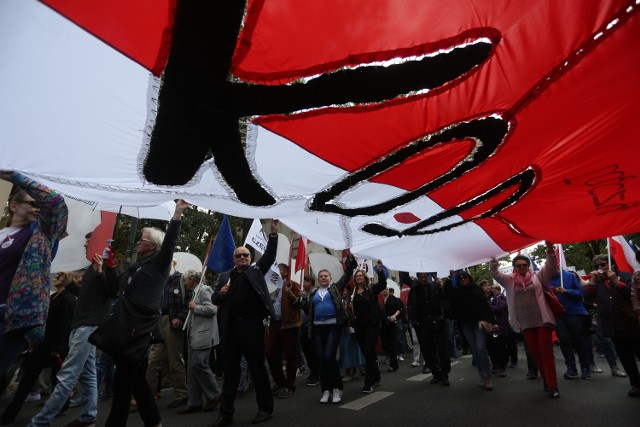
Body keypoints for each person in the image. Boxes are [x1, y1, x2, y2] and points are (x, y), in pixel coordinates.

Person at [102, 200, 189, 427]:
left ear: (152, 246)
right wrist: (109, 267)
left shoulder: (158, 264)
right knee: (136, 380)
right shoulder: (135, 267)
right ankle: (153, 420)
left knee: (122, 382)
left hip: (138, 329)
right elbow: (113, 289)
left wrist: (177, 214)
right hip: (126, 325)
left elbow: (169, 243)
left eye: (143, 240)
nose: (138, 242)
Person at [28, 231, 118, 427]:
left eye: (88, 243)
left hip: (88, 328)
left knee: (67, 374)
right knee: (88, 375)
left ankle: (39, 422)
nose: (85, 246)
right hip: (82, 326)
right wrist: (69, 284)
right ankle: (88, 417)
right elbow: (86, 299)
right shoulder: (91, 269)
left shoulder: (107, 267)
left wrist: (103, 270)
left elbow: (113, 291)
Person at [0, 171, 68, 383]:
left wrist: (15, 176)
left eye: (39, 204)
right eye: (31, 204)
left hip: (12, 317)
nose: (38, 208)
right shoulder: (3, 233)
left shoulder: (41, 234)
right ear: (14, 206)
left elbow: (55, 204)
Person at [210, 220, 279, 426]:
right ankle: (225, 415)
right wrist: (220, 294)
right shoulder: (225, 277)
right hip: (230, 329)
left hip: (252, 326)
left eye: (245, 255)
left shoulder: (256, 272)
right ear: (234, 258)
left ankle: (265, 408)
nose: (242, 258)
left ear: (250, 259)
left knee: (257, 368)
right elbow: (214, 299)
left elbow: (269, 256)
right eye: (238, 255)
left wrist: (273, 233)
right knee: (230, 373)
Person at [1, 271, 76, 425]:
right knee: (28, 379)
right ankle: (10, 414)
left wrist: (57, 348)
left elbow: (64, 326)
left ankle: (62, 406)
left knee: (57, 380)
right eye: (57, 276)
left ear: (70, 279)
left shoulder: (68, 300)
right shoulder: (52, 297)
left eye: (61, 276)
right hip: (43, 345)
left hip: (55, 348)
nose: (56, 277)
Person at [490, 242, 560, 399]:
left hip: (542, 321)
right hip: (525, 323)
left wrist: (550, 252)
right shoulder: (509, 281)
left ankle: (553, 385)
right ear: (514, 267)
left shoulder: (537, 277)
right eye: (518, 266)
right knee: (535, 353)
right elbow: (494, 273)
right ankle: (546, 380)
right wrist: (493, 259)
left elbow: (550, 266)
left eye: (524, 265)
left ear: (528, 266)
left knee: (546, 352)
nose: (521, 268)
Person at [303, 256, 357, 404]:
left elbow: (347, 276)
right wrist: (300, 298)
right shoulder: (313, 294)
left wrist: (350, 265)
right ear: (318, 279)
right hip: (317, 329)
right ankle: (326, 390)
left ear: (330, 278)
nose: (323, 278)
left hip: (333, 327)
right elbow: (307, 311)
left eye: (325, 276)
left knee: (329, 357)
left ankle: (337, 389)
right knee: (321, 360)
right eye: (320, 276)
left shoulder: (335, 288)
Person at [584, 256, 639, 397]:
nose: (601, 267)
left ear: (613, 264)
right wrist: (592, 281)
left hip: (630, 322)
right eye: (598, 265)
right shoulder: (598, 281)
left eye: (603, 264)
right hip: (612, 324)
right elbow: (586, 297)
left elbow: (630, 294)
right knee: (625, 357)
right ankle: (636, 384)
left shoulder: (626, 276)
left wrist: (616, 281)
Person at [147, 259, 190, 409]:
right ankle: (148, 394)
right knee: (153, 359)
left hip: (173, 322)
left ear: (173, 264)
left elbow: (190, 300)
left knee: (174, 359)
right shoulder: (157, 280)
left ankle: (181, 394)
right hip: (158, 321)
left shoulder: (181, 279)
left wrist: (180, 318)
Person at [178, 270, 222, 415]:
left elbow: (212, 309)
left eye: (185, 280)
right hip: (193, 336)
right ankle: (194, 402)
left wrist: (195, 307)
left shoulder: (204, 290)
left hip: (203, 336)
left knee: (198, 364)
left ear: (191, 280)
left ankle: (215, 394)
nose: (184, 284)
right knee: (191, 369)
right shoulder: (195, 293)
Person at [445, 272, 496, 390]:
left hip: (480, 322)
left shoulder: (477, 289)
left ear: (469, 278)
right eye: (461, 278)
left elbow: (485, 306)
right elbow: (448, 292)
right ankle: (482, 375)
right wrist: (450, 276)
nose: (463, 280)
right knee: (475, 350)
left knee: (480, 348)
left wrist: (493, 322)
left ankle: (487, 376)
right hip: (466, 324)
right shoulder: (457, 291)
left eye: (465, 277)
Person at [404, 272, 450, 384]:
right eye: (421, 277)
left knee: (441, 348)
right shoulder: (415, 287)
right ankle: (436, 373)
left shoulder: (435, 285)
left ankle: (444, 375)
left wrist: (442, 285)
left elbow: (445, 298)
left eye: (425, 277)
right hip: (423, 322)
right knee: (427, 349)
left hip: (437, 320)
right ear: (418, 277)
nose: (423, 279)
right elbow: (405, 277)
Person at [266, 263, 301, 399]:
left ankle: (290, 385)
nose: (275, 273)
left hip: (289, 324)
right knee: (270, 352)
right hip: (274, 323)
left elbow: (299, 303)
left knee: (290, 355)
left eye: (278, 270)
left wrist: (290, 292)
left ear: (285, 272)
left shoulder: (292, 284)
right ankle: (280, 381)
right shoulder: (272, 286)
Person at [549, 269, 592, 380]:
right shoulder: (546, 279)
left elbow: (581, 292)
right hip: (558, 315)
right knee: (563, 341)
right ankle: (571, 368)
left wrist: (567, 291)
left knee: (579, 341)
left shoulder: (569, 276)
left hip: (574, 313)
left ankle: (585, 368)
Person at [350, 265, 387, 393]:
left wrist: (380, 271)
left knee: (368, 349)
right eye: (357, 276)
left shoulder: (371, 289)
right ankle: (377, 377)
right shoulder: (353, 292)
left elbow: (382, 284)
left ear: (365, 278)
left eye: (360, 275)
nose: (358, 277)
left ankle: (368, 382)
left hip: (372, 325)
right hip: (359, 326)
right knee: (368, 353)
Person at [486, 283, 510, 378]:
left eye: (488, 285)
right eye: (484, 285)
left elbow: (500, 308)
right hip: (487, 326)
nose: (487, 287)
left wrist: (488, 307)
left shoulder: (498, 297)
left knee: (500, 347)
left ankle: (502, 367)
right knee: (490, 347)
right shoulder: (481, 298)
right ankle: (494, 364)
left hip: (499, 325)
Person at [299, 275, 319, 386]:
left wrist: (305, 298)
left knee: (313, 351)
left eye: (305, 282)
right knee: (306, 350)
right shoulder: (304, 293)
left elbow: (309, 310)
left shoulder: (315, 293)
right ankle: (312, 371)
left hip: (312, 326)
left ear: (311, 282)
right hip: (303, 325)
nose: (303, 284)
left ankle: (317, 374)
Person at [381, 288, 404, 373]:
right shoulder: (381, 300)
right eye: (382, 290)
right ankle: (391, 361)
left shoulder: (392, 298)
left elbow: (399, 309)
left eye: (385, 289)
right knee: (386, 343)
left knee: (392, 343)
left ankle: (393, 365)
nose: (384, 291)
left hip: (392, 323)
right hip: (384, 324)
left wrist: (395, 316)